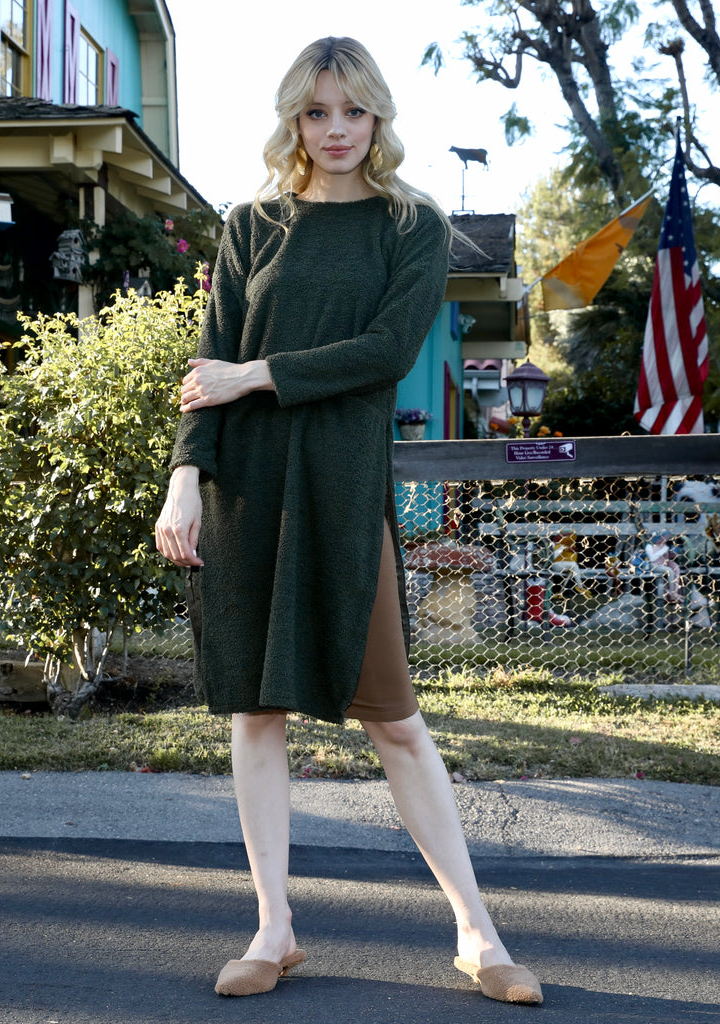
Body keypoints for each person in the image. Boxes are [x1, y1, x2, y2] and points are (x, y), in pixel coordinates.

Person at [154, 36, 542, 1006]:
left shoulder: (412, 225)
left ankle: (478, 932)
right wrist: (184, 479)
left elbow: (385, 351)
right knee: (256, 711)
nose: (335, 129)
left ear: (378, 118)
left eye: (353, 111)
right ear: (295, 117)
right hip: (245, 490)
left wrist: (258, 374)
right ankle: (273, 926)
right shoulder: (250, 224)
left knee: (396, 720)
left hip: (341, 488)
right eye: (317, 111)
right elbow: (208, 364)